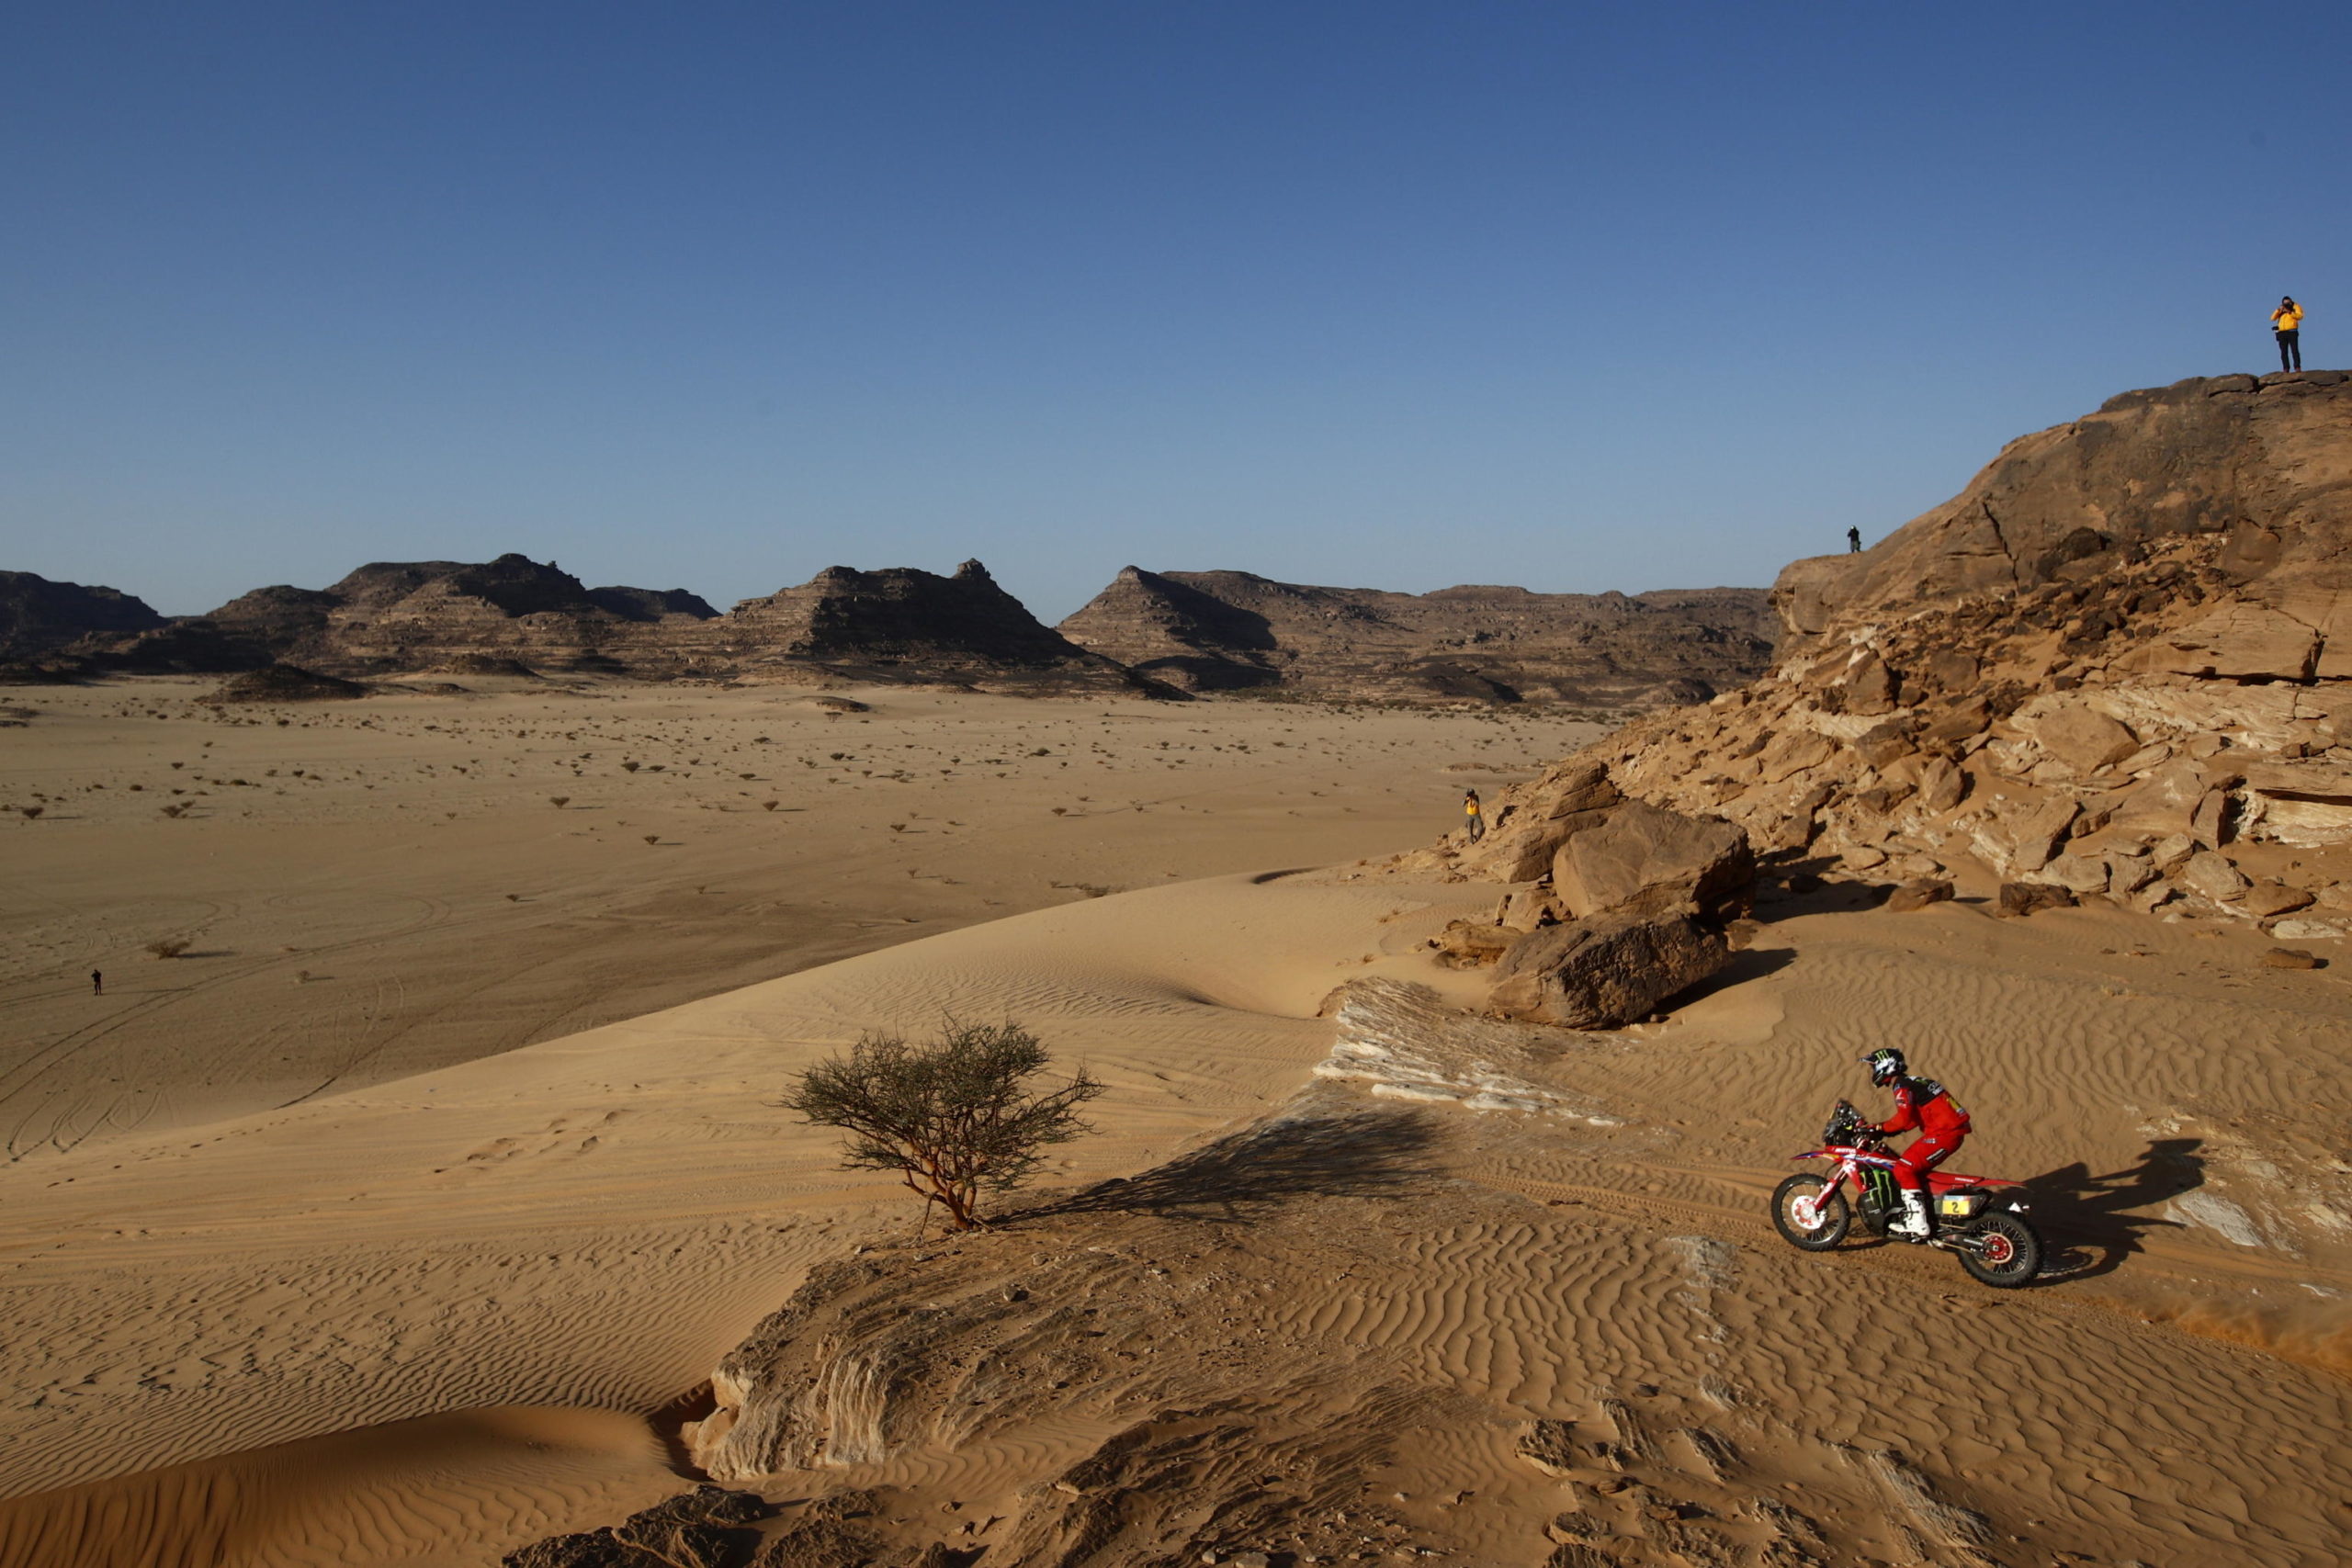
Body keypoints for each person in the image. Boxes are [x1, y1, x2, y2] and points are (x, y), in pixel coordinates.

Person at [1860, 1046, 1971, 1238]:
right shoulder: (1914, 1082)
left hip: (1945, 1134)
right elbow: (1912, 1120)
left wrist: (1878, 1128)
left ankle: (1918, 1224)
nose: (1873, 1072)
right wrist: (1884, 1130)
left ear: (1886, 1065)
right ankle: (1931, 1213)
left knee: (1904, 1168)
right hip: (1946, 1131)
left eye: (1874, 1066)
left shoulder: (1902, 1086)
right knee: (1916, 1171)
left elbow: (1903, 1120)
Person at [2272, 296, 2303, 373]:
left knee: (2294, 350)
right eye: (2284, 303)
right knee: (2283, 352)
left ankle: (2297, 367)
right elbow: (2272, 318)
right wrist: (2278, 310)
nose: (2286, 304)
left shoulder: (2295, 306)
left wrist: (2290, 312)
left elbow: (2300, 316)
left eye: (2288, 303)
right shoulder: (2281, 310)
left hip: (2292, 331)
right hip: (2282, 332)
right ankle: (2286, 368)